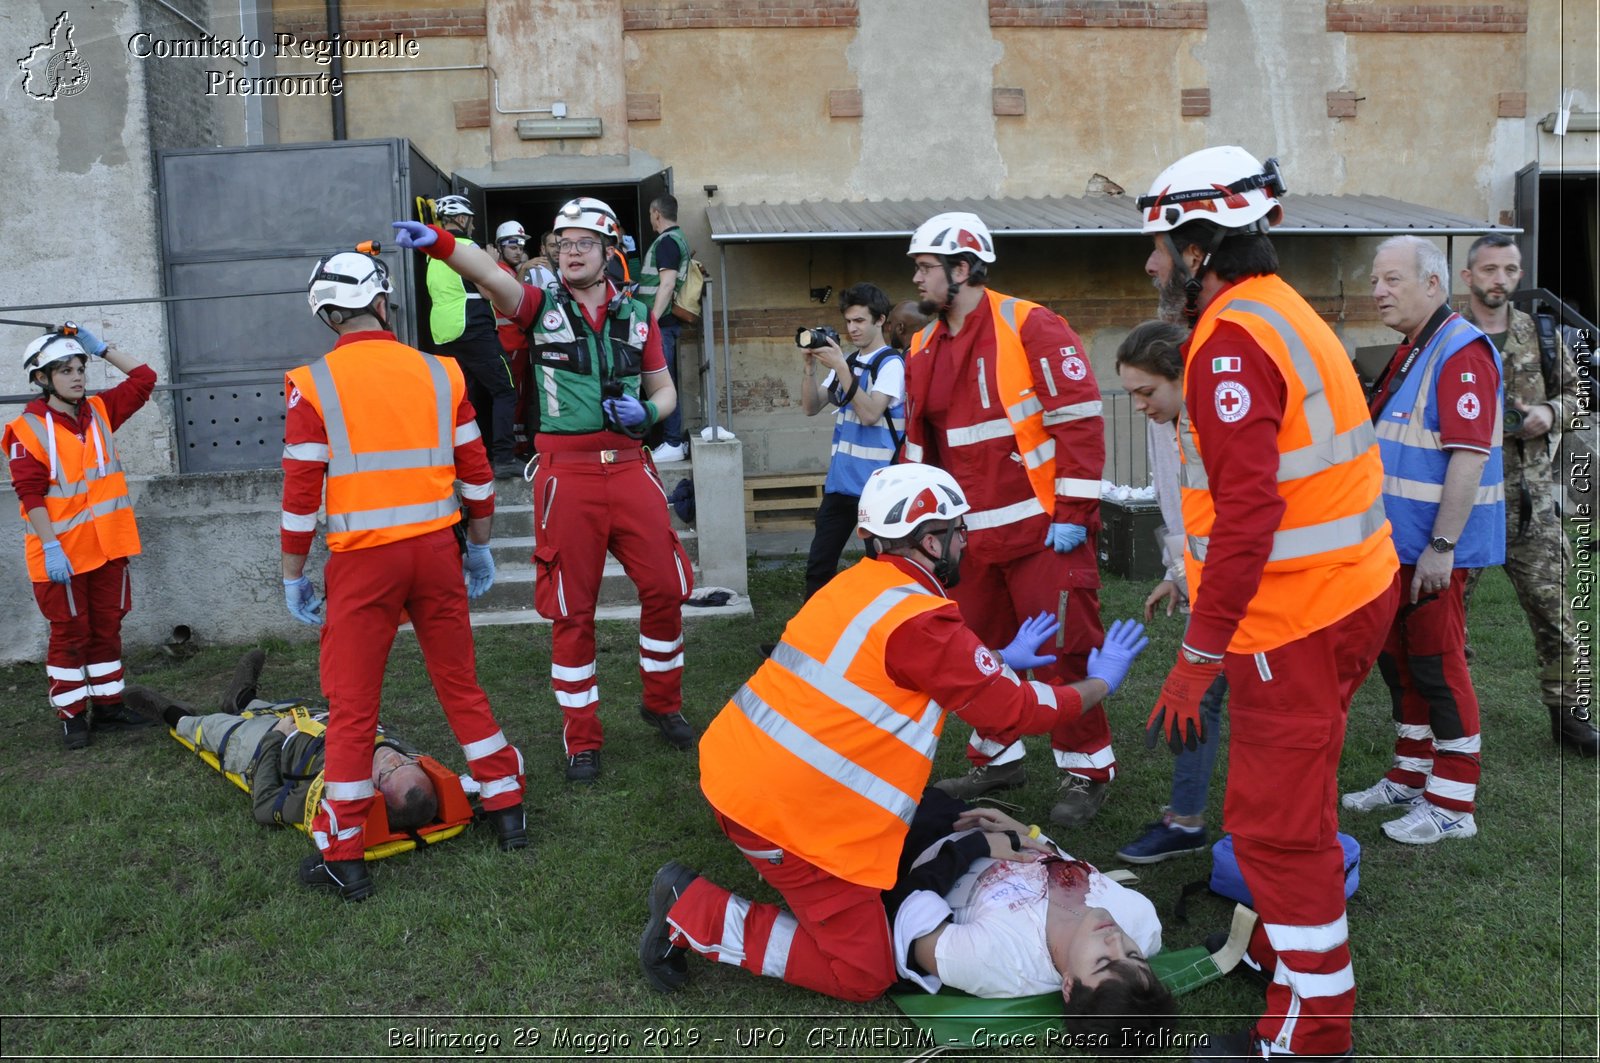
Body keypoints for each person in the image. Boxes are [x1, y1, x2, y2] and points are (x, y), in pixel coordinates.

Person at [637, 463, 1149, 1003]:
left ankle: (780, 873)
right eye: (959, 533)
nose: (964, 544)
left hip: (742, 770)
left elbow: (900, 669)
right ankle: (690, 910)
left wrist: (994, 660)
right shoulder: (922, 621)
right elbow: (1017, 712)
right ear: (932, 541)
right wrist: (1099, 683)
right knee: (862, 974)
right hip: (788, 814)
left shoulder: (858, 585)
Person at [1136, 145, 1399, 1061]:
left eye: (1163, 247)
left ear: (1203, 246)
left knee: (1275, 834)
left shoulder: (1230, 341)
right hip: (1350, 595)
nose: (1153, 265)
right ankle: (1299, 980)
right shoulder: (1285, 313)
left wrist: (1197, 655)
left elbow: (1248, 518)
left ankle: (1310, 1034)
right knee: (1300, 814)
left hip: (1291, 617)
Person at [393, 197, 694, 784]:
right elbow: (486, 274)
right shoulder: (536, 304)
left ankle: (662, 703)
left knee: (665, 587)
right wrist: (441, 242)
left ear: (610, 253)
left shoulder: (639, 314)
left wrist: (647, 413)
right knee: (571, 611)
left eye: (584, 242)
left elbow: (665, 391)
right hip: (567, 475)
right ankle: (582, 739)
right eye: (563, 242)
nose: (571, 251)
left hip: (632, 465)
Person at [281, 247, 528, 901]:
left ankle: (345, 852)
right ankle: (507, 808)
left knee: (354, 707)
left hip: (363, 562)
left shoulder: (313, 384)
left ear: (329, 317)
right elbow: (477, 475)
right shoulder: (442, 373)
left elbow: (300, 497)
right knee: (461, 685)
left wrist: (293, 575)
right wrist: (477, 545)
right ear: (383, 303)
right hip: (436, 552)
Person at [901, 211, 1113, 828]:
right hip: (965, 540)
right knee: (979, 653)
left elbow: (1079, 424)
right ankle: (998, 756)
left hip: (1044, 531)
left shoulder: (1032, 326)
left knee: (1064, 652)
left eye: (925, 267)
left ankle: (1087, 767)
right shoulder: (921, 344)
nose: (916, 278)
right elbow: (923, 444)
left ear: (961, 269)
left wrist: (1073, 514)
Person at [1341, 235, 1505, 845]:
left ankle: (1453, 801)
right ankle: (1410, 774)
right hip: (1396, 547)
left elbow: (1468, 455)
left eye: (1391, 280)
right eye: (1376, 281)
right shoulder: (1418, 346)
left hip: (1430, 551)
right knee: (1400, 664)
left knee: (1439, 666)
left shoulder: (1460, 352)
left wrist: (1443, 546)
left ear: (1433, 284)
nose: (1377, 291)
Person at [887, 792, 1177, 1047]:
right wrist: (1028, 833)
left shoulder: (991, 960)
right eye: (1133, 955)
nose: (1116, 939)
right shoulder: (1140, 920)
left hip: (909, 834)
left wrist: (978, 846)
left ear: (1069, 986)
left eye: (1103, 961)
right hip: (966, 817)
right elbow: (1069, 866)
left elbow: (903, 909)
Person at [1458, 234, 1597, 754]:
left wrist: (1552, 413)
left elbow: (1577, 392)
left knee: (1555, 613)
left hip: (1531, 505)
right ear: (1468, 276)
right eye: (1489, 269)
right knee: (1446, 625)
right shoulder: (1448, 337)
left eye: (1510, 269)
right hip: (1463, 505)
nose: (1500, 278)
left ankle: (1572, 721)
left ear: (1519, 276)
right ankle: (1451, 723)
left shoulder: (1538, 332)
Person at [5, 324, 157, 749]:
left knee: (107, 629)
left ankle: (108, 708)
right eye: (64, 370)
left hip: (110, 548)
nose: (77, 377)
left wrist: (102, 347)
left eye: (80, 368)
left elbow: (144, 379)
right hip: (63, 555)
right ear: (41, 379)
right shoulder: (27, 430)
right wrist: (51, 545)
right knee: (70, 634)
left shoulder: (101, 412)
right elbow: (30, 494)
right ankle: (73, 716)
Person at [1111, 321, 1230, 865]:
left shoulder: (1219, 420)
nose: (1138, 405)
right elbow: (1188, 514)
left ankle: (1247, 827)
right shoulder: (1172, 421)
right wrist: (1177, 574)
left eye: (1146, 391)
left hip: (1247, 596)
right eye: (1131, 392)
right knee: (1198, 700)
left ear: (1181, 376)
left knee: (1212, 698)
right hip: (1208, 587)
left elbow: (1240, 520)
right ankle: (1188, 819)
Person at [127, 649, 440, 832]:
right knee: (275, 707)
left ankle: (171, 714)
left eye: (390, 769)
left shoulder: (332, 794)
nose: (392, 757)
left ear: (373, 790)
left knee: (211, 727)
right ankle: (243, 698)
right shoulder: (403, 756)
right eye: (405, 761)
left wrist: (276, 739)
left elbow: (265, 807)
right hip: (319, 723)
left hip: (270, 744)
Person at [797, 282, 905, 600]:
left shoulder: (890, 364)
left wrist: (843, 367)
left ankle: (873, 638)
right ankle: (812, 640)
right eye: (848, 321)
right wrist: (809, 368)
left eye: (859, 321)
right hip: (840, 484)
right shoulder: (849, 360)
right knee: (819, 566)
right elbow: (811, 407)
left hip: (877, 488)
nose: (852, 328)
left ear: (880, 320)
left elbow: (871, 413)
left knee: (881, 569)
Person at [424, 195, 521, 478]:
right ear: (462, 219)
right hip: (473, 325)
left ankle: (472, 457)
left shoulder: (433, 253)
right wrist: (490, 263)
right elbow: (491, 288)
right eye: (471, 220)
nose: (474, 225)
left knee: (467, 396)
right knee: (504, 389)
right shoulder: (468, 247)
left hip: (444, 331)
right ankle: (503, 457)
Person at [638, 194, 691, 462]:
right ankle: (670, 442)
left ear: (656, 213)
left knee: (663, 384)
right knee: (661, 383)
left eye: (650, 215)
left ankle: (672, 442)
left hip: (661, 326)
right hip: (665, 326)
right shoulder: (675, 239)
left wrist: (651, 323)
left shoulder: (667, 242)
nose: (650, 219)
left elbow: (667, 284)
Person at [492, 220, 536, 459]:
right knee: (514, 398)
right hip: (510, 345)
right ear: (500, 247)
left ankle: (520, 444)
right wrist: (524, 269)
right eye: (512, 245)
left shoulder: (512, 270)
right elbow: (509, 296)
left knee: (522, 397)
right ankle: (515, 448)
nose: (518, 250)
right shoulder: (499, 270)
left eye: (520, 245)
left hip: (520, 344)